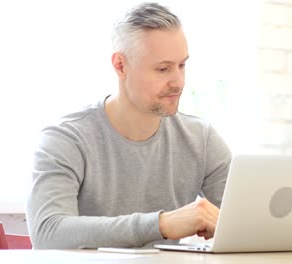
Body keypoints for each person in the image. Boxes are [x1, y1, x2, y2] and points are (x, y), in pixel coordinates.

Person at [26, 2, 231, 249]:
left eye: (182, 65)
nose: (178, 82)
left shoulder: (202, 140)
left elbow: (248, 223)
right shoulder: (66, 139)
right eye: (163, 69)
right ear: (120, 66)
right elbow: (47, 233)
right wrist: (161, 224)